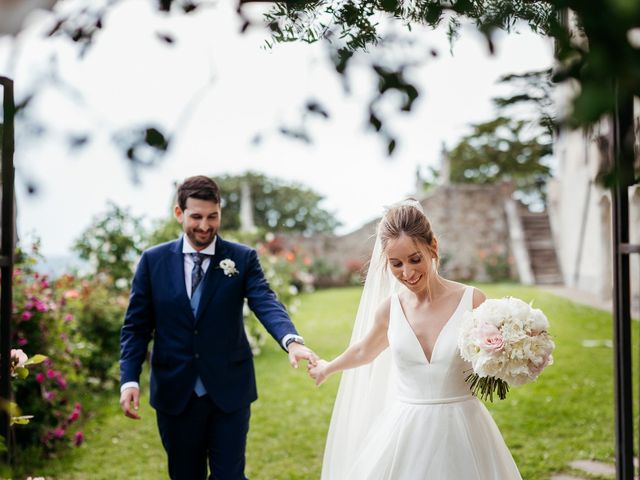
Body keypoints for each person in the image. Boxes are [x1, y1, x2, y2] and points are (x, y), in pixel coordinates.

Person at [119, 175, 318, 480]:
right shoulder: (152, 261)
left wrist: (291, 340)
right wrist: (129, 379)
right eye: (196, 216)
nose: (204, 226)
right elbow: (136, 327)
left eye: (212, 216)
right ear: (179, 213)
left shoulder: (242, 258)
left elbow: (264, 300)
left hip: (229, 391)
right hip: (176, 393)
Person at [308, 200, 522, 479]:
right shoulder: (390, 309)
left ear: (433, 246)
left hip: (464, 428)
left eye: (414, 259)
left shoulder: (473, 300)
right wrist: (327, 367)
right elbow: (364, 350)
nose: (407, 273)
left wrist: (519, 352)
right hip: (407, 428)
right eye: (396, 264)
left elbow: (500, 352)